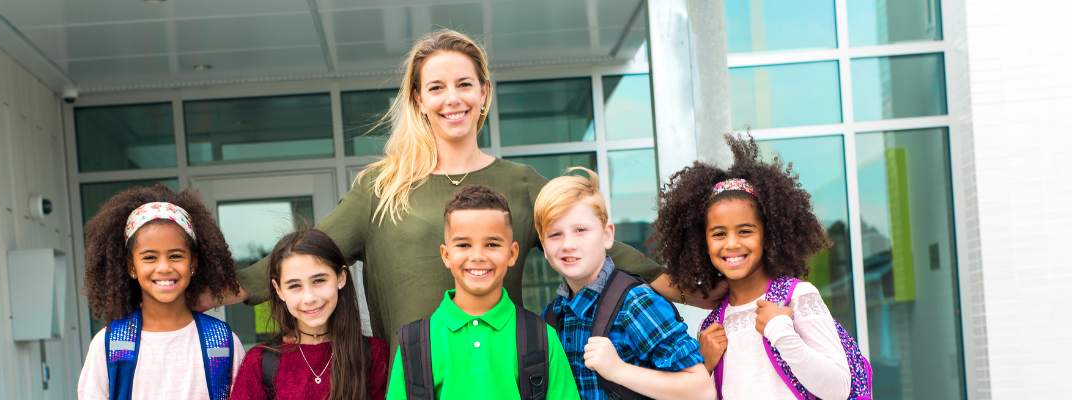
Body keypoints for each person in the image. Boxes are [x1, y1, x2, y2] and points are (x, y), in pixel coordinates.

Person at [223, 28, 709, 347]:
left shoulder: (519, 183)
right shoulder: (381, 187)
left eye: (464, 84)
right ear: (418, 99)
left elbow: (595, 245)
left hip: (504, 377)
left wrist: (704, 292)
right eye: (436, 87)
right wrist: (208, 291)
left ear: (484, 93)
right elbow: (304, 259)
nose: (451, 99)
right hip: (410, 381)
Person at [650, 135, 867, 399]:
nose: (731, 244)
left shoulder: (797, 298)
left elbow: (838, 389)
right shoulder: (712, 325)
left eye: (745, 231)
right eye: (718, 234)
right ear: (702, 242)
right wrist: (704, 366)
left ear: (768, 234)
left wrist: (780, 331)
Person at [536, 167, 713, 399]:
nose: (568, 244)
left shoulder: (635, 303)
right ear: (544, 247)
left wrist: (619, 370)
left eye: (580, 230)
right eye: (555, 234)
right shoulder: (553, 315)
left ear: (607, 235)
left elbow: (700, 389)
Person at [386, 185, 578, 399]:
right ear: (446, 255)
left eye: (492, 244)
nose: (477, 256)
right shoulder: (415, 345)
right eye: (464, 245)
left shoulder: (541, 338)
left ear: (512, 253)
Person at [77, 185, 244, 400]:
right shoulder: (110, 344)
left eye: (175, 256)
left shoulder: (222, 342)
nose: (164, 267)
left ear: (193, 263)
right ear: (131, 267)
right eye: (149, 257)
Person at [230, 229, 389, 400]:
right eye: (294, 286)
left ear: (341, 278)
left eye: (319, 281)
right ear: (279, 290)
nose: (309, 298)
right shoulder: (260, 362)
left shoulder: (374, 354)